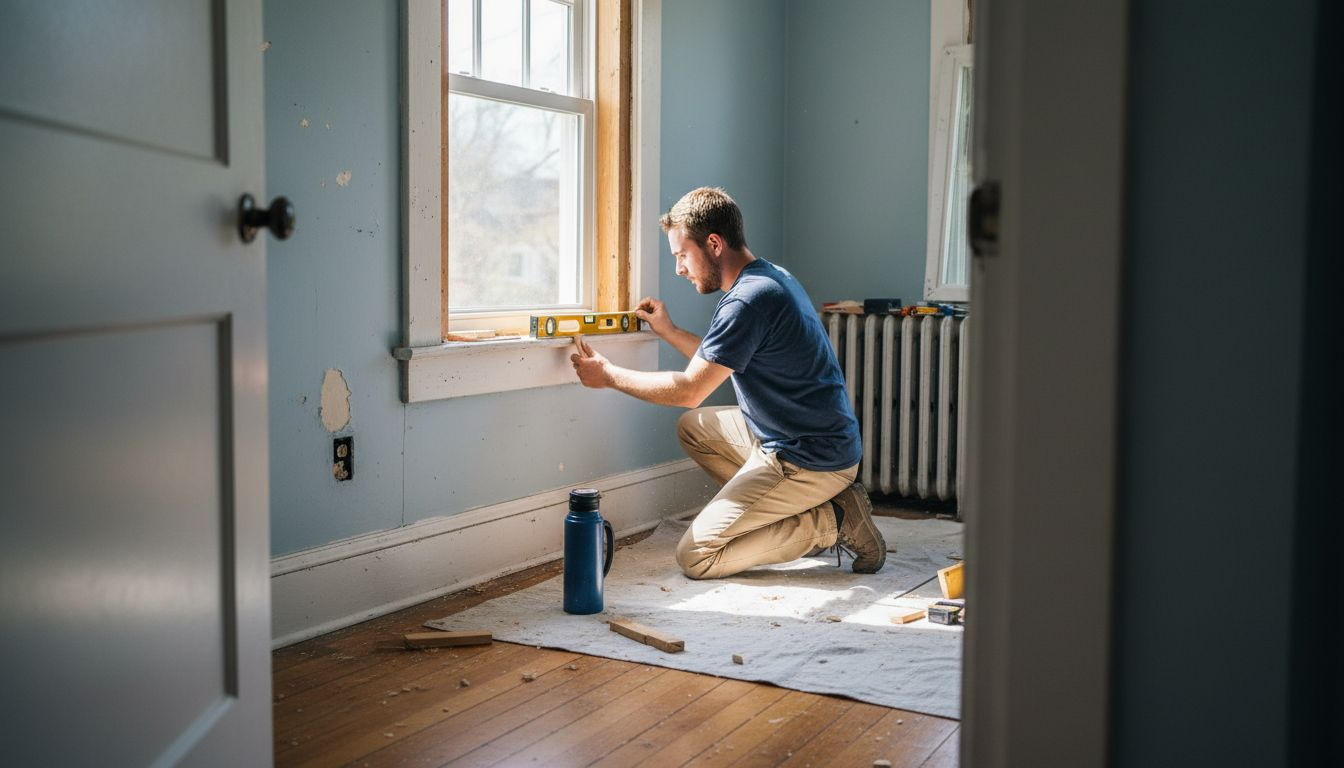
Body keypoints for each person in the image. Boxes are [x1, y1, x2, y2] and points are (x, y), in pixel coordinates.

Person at [570, 186, 887, 579]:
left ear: (714, 244)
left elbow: (690, 390)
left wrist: (608, 376)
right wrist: (669, 331)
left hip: (809, 458)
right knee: (694, 429)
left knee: (696, 556)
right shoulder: (767, 278)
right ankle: (797, 512)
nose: (679, 269)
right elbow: (718, 362)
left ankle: (833, 522)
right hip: (798, 437)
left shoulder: (747, 301)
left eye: (682, 255)